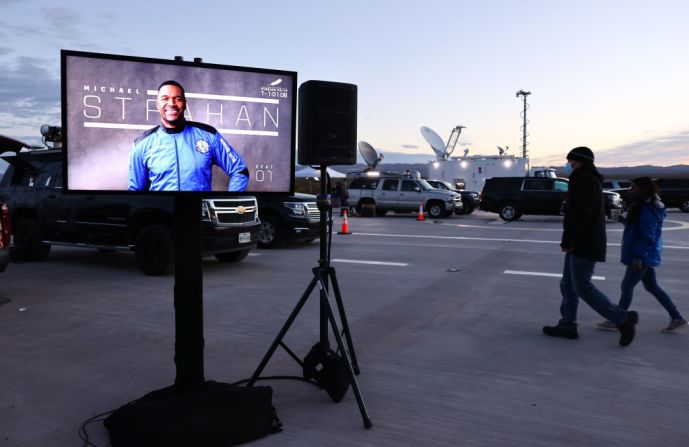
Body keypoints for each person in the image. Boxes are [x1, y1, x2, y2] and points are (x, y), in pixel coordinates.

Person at [543, 146, 638, 346]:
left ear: (581, 161)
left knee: (583, 287)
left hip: (584, 242)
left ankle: (622, 318)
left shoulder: (585, 180)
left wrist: (569, 241)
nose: (568, 165)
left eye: (571, 161)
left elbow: (582, 214)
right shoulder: (584, 179)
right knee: (568, 285)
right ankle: (567, 325)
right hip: (581, 241)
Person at [597, 177, 687, 332]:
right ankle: (677, 317)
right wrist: (622, 220)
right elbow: (638, 229)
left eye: (633, 188)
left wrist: (638, 257)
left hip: (642, 256)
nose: (630, 190)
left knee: (627, 286)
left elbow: (648, 236)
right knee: (652, 287)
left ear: (643, 190)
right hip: (643, 254)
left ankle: (619, 319)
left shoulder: (648, 209)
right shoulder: (641, 206)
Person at [128, 80, 249, 191]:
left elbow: (240, 171)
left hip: (200, 213)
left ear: (185, 104)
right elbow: (135, 192)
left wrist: (228, 204)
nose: (171, 103)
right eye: (165, 99)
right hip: (162, 214)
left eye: (177, 99)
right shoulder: (141, 145)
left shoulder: (209, 135)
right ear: (157, 104)